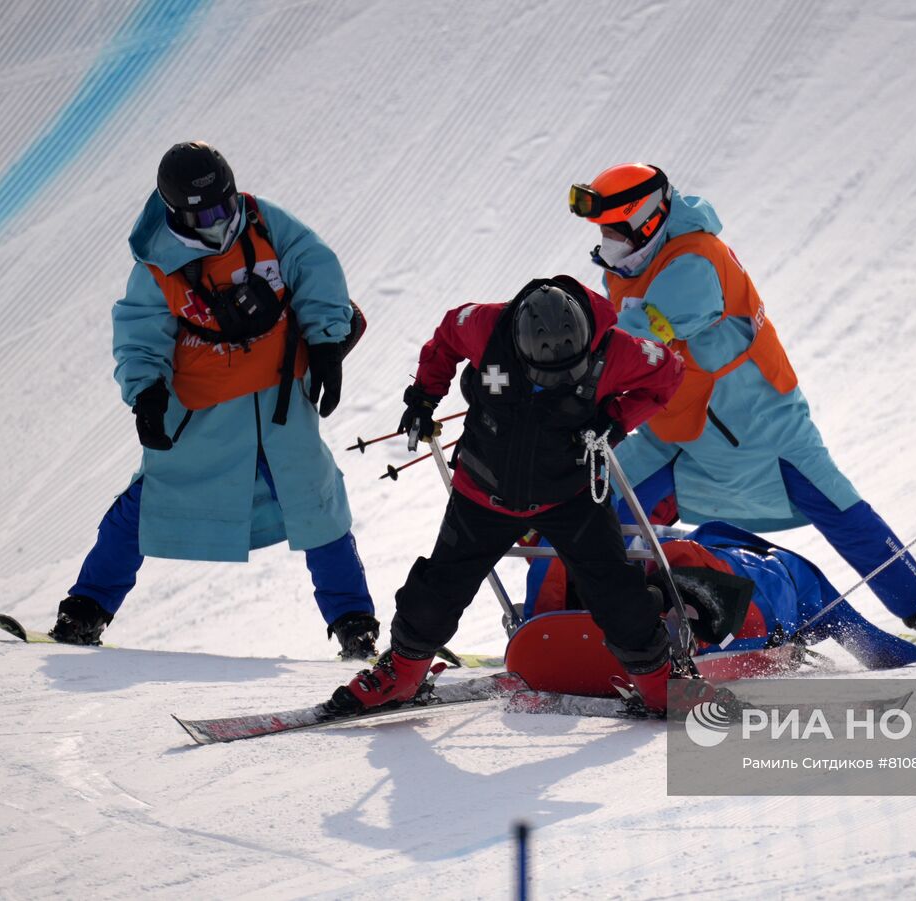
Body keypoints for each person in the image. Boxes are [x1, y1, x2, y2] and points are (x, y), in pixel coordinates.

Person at [566, 162, 916, 652]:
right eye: (602, 230)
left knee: (841, 512)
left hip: (762, 425)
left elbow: (635, 341)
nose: (607, 241)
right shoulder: (627, 267)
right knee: (590, 496)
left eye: (616, 229)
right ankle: (579, 619)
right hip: (681, 431)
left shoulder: (697, 260)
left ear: (650, 220)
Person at [50, 141, 378, 658]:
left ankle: (355, 624)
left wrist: (325, 342)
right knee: (148, 502)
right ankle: (84, 612)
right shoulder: (157, 263)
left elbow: (316, 270)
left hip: (278, 404)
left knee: (317, 503)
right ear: (176, 212)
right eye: (202, 213)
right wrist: (148, 395)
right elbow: (140, 332)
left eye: (224, 206)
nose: (217, 220)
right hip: (201, 412)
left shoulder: (266, 225)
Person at [331, 276, 689, 713]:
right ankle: (402, 675)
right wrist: (425, 396)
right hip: (482, 492)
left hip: (571, 493)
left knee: (617, 592)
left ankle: (659, 685)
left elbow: (669, 371)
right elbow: (446, 335)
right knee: (436, 589)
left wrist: (616, 419)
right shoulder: (485, 325)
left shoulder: (616, 349)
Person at [528, 520, 916, 670]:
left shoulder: (706, 542)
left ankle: (566, 612)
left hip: (696, 562)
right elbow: (871, 645)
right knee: (857, 634)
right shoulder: (801, 579)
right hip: (743, 583)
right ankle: (660, 611)